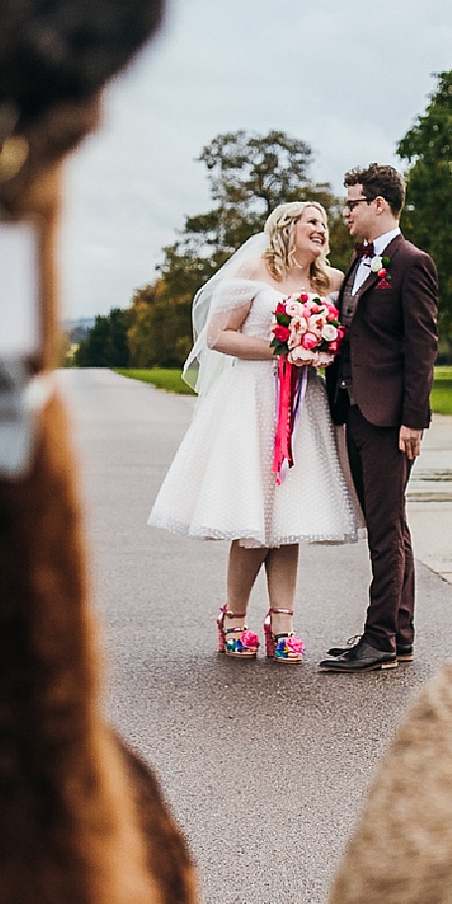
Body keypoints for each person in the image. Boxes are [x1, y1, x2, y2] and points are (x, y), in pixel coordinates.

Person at [147, 201, 363, 665]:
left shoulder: (332, 283)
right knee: (251, 520)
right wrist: (282, 346)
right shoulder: (253, 270)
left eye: (325, 224)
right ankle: (235, 620)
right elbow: (217, 336)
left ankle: (282, 623)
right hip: (252, 402)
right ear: (288, 228)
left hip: (303, 407)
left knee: (288, 522)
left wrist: (316, 349)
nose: (322, 230)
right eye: (313, 222)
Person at [321, 163, 438, 673]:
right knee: (390, 525)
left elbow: (422, 348)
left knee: (385, 530)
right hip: (355, 409)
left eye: (352, 203)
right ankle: (400, 632)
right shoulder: (359, 261)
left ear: (380, 205)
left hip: (389, 419)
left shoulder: (412, 263)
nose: (344, 212)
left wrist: (414, 420)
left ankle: (379, 639)